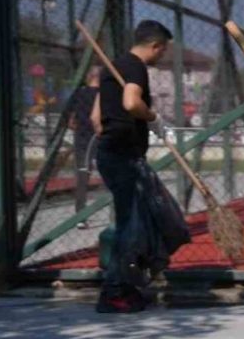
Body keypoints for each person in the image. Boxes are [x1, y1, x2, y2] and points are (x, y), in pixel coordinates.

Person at [90, 20, 173, 314]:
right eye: (162, 51)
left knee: (132, 222)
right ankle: (114, 292)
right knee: (130, 227)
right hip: (124, 155)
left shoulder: (113, 67)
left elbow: (96, 120)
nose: (161, 57)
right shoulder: (136, 66)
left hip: (110, 153)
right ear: (155, 46)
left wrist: (113, 132)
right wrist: (151, 118)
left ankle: (125, 286)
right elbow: (131, 103)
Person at [70, 66, 100, 229]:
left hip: (82, 139)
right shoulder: (104, 94)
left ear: (88, 77)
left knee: (82, 177)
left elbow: (71, 120)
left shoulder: (79, 93)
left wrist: (79, 126)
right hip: (100, 137)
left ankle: (80, 217)